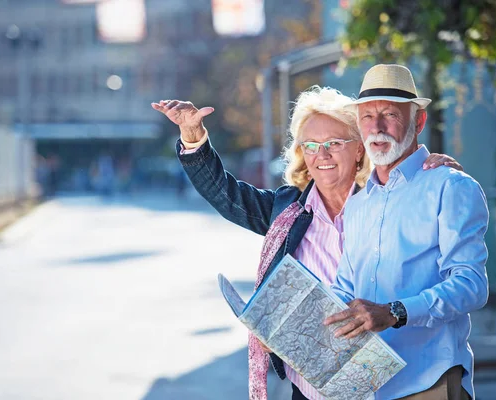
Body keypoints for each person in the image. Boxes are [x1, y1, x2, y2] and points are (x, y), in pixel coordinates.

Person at [151, 87, 463, 400]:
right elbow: (224, 193)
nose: (322, 154)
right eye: (311, 145)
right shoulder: (287, 211)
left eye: (334, 143)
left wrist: (433, 178)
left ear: (360, 149)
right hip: (311, 390)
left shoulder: (393, 202)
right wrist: (192, 134)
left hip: (397, 385)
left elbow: (445, 257)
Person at [324, 65, 489, 400]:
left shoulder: (451, 186)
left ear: (418, 122)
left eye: (389, 114)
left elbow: (472, 285)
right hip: (367, 384)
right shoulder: (357, 206)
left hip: (429, 383)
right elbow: (344, 289)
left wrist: (394, 312)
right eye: (368, 116)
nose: (377, 126)